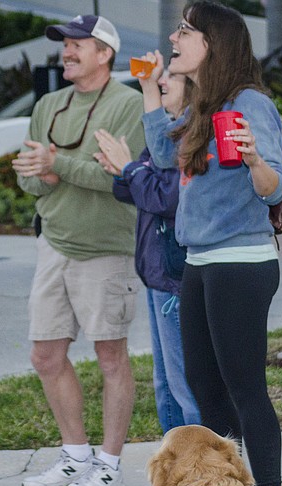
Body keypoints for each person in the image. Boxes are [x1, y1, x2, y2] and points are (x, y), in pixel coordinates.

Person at [136, 1, 282, 486]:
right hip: (201, 263)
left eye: (186, 31)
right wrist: (151, 95)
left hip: (241, 263)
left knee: (245, 387)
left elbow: (278, 185)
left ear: (213, 43)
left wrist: (254, 161)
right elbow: (161, 155)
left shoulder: (249, 104)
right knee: (205, 390)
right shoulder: (204, 104)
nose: (175, 38)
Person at [12, 14, 145, 486]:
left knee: (110, 355)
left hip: (106, 249)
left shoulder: (129, 105)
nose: (66, 52)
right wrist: (44, 176)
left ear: (105, 53)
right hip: (54, 242)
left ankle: (110, 468)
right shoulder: (49, 104)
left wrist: (56, 166)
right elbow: (28, 175)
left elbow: (121, 179)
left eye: (77, 45)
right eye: (64, 45)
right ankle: (76, 456)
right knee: (45, 354)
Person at [94, 70, 202, 433]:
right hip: (158, 276)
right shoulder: (166, 134)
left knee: (186, 386)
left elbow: (165, 197)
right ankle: (173, 477)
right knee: (166, 386)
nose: (161, 81)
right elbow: (130, 189)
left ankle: (200, 477)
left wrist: (129, 168)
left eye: (171, 75)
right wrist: (127, 170)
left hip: (176, 278)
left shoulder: (190, 134)